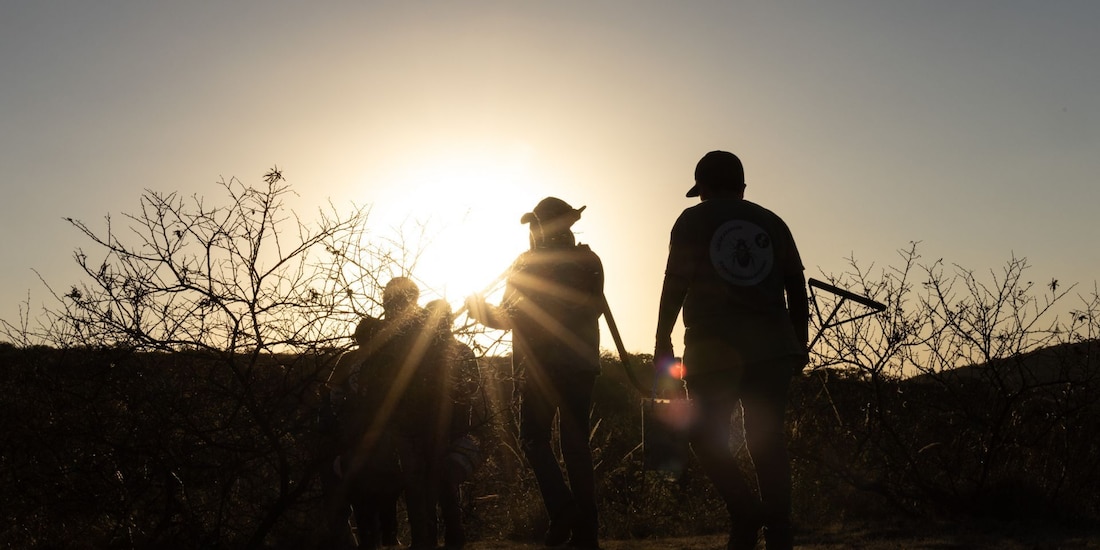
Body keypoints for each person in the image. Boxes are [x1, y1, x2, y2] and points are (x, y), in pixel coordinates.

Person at [653, 151, 809, 550]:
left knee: (705, 438)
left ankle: (745, 513)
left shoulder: (691, 221)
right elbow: (796, 286)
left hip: (710, 351)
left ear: (702, 188)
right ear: (741, 187)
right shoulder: (772, 222)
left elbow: (676, 283)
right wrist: (799, 342)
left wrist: (662, 339)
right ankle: (777, 530)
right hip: (772, 347)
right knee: (767, 439)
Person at [465, 197, 605, 549]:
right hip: (580, 364)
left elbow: (506, 318)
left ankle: (563, 510)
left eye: (536, 225)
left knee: (533, 439)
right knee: (576, 447)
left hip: (538, 369)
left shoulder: (527, 265)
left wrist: (478, 310)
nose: (533, 231)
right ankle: (586, 530)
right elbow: (591, 310)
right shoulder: (590, 260)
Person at [321, 315, 402, 549]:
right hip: (375, 431)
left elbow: (333, 394)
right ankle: (386, 538)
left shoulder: (353, 359)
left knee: (363, 486)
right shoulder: (386, 359)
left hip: (359, 432)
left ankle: (375, 538)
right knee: (382, 486)